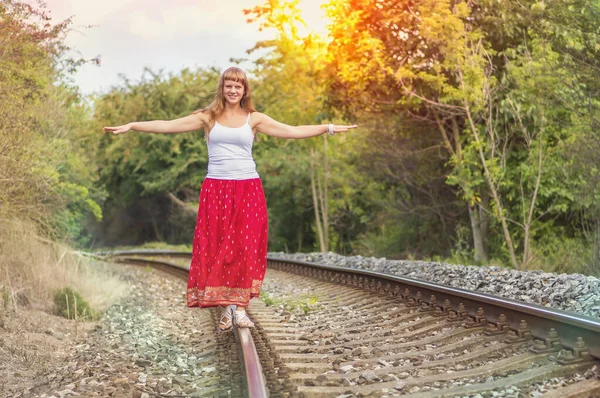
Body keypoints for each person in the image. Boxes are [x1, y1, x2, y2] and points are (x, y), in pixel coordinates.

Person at [104, 67, 357, 331]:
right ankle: (226, 308)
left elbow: (292, 131)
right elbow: (169, 126)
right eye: (229, 85)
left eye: (238, 86)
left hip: (248, 189)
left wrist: (327, 128)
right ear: (222, 88)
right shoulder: (208, 117)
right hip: (216, 190)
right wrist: (133, 125)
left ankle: (241, 309)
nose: (233, 90)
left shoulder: (254, 119)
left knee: (245, 248)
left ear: (245, 90)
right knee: (218, 247)